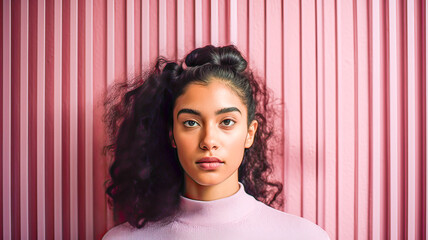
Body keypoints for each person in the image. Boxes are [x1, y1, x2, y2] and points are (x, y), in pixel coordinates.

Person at [102, 45, 330, 239]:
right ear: (172, 135)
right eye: (191, 123)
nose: (209, 141)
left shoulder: (304, 236)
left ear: (249, 134)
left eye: (227, 121)